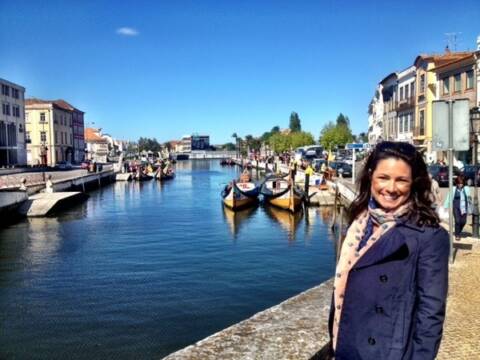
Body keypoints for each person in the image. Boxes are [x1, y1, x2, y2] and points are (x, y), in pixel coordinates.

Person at [324, 141, 449, 360]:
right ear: (371, 176)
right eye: (384, 177)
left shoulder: (428, 236)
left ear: (414, 183)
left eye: (401, 180)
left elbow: (430, 316)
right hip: (347, 345)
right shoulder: (359, 221)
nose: (391, 188)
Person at [443, 174, 472, 241]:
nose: (460, 185)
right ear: (457, 183)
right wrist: (446, 206)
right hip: (456, 206)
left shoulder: (466, 189)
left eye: (461, 183)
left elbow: (469, 199)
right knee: (457, 221)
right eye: (459, 183)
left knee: (463, 222)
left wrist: (470, 204)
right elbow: (449, 197)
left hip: (464, 207)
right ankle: (457, 235)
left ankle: (458, 231)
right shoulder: (453, 189)